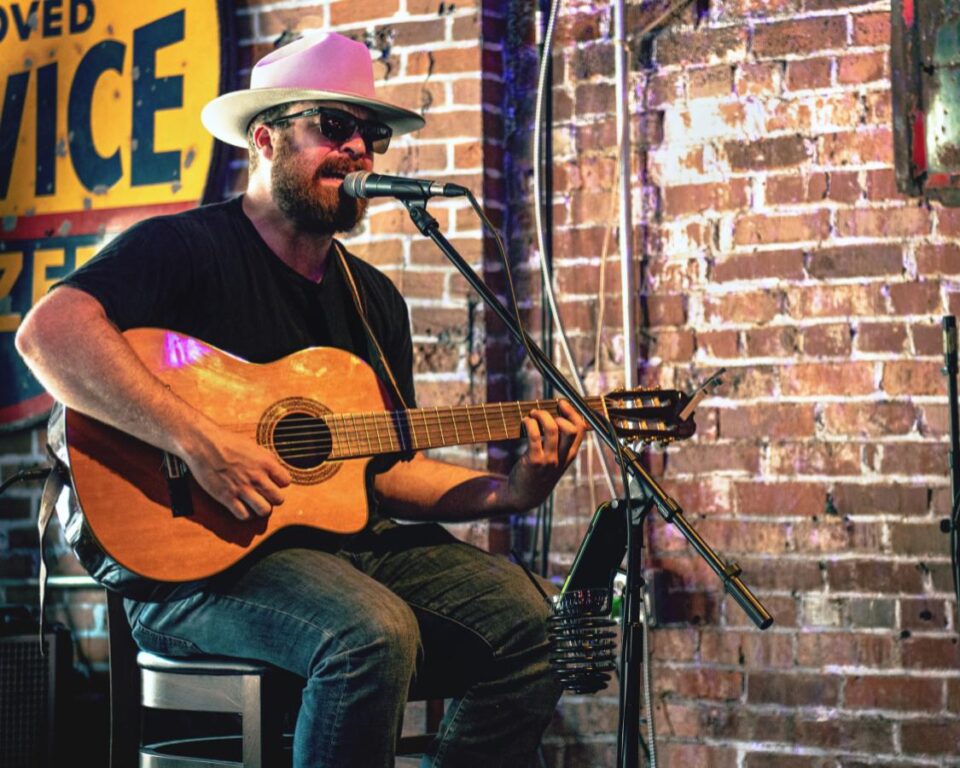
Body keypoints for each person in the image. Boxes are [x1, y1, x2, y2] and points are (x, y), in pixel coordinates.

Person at [16, 32, 587, 767]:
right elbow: (48, 333)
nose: (358, 150)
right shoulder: (185, 249)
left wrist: (509, 491)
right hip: (196, 568)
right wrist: (199, 442)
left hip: (339, 552)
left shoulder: (372, 298)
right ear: (266, 138)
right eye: (334, 126)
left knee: (535, 624)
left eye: (371, 134)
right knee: (371, 632)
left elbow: (382, 470)